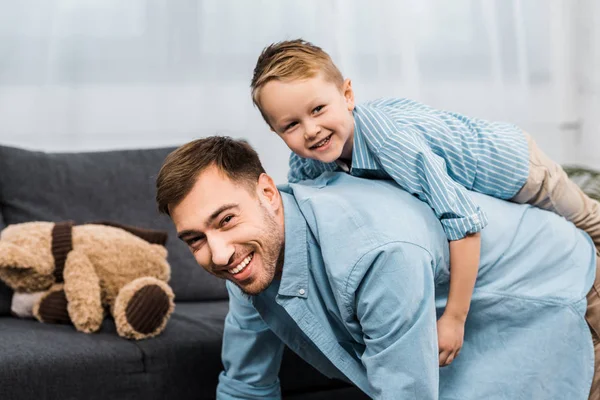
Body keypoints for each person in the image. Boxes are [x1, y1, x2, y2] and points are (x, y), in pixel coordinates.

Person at [156, 136, 600, 400]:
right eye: (195, 238)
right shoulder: (248, 257)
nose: (216, 254)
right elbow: (246, 386)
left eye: (225, 219)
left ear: (268, 193)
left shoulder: (372, 252)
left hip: (565, 289)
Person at [249, 39, 600, 365]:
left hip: (515, 167)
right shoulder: (306, 163)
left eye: (318, 109)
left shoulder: (391, 142)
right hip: (471, 178)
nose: (310, 130)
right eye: (291, 125)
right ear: (276, 132)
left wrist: (454, 319)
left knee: (587, 221)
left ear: (348, 95)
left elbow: (463, 224)